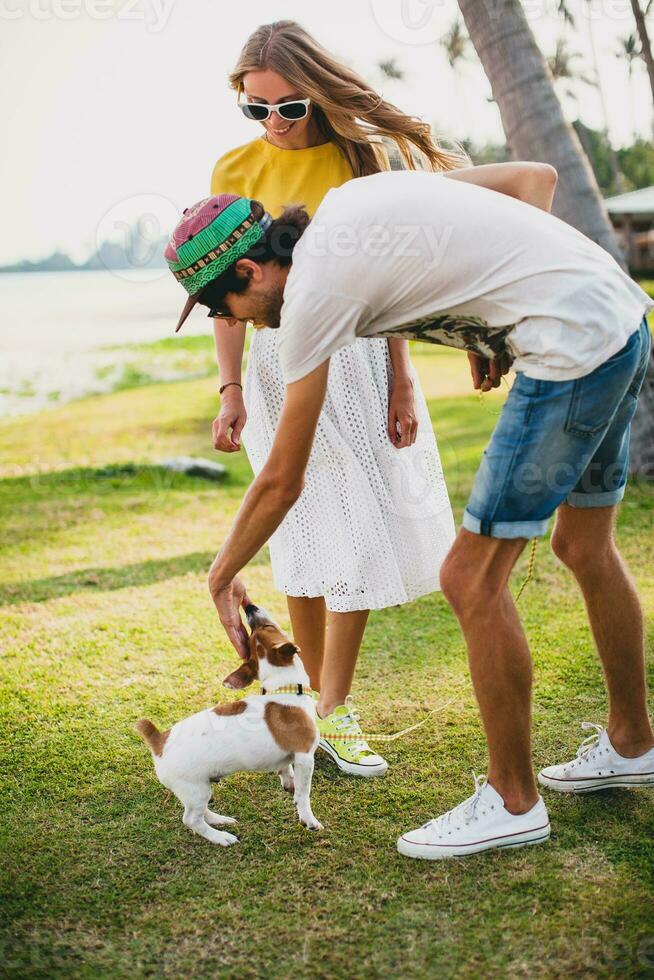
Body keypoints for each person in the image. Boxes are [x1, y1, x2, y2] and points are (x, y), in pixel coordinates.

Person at [165, 162, 653, 859]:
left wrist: (220, 578)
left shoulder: (309, 298)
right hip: (621, 322)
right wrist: (494, 332)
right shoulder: (349, 204)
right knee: (583, 546)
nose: (229, 321)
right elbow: (532, 182)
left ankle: (511, 801)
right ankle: (633, 742)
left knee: (470, 578)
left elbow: (282, 479)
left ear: (249, 270)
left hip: (571, 351)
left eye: (220, 306)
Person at [205, 20, 465, 778]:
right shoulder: (232, 166)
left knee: (354, 533)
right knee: (304, 536)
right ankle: (313, 701)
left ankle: (336, 708)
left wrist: (401, 376)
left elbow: (388, 283)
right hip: (273, 356)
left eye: (289, 107)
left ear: (317, 96)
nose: (275, 125)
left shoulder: (361, 158)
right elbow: (225, 297)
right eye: (257, 110)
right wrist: (229, 390)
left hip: (352, 359)